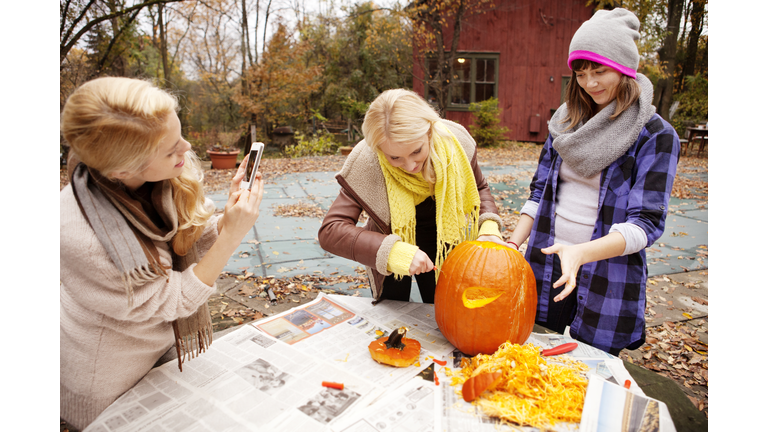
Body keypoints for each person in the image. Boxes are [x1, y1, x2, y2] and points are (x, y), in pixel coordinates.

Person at [60, 77, 265, 429]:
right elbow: (173, 300)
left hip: (161, 346)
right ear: (122, 170)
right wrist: (232, 236)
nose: (185, 148)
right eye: (171, 150)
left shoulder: (162, 180)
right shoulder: (78, 234)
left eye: (180, 135)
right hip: (110, 375)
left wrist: (225, 221)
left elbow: (184, 241)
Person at [506, 8, 680, 355]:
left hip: (606, 272)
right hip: (546, 262)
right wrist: (511, 246)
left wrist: (580, 254)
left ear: (625, 68)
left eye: (599, 71)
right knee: (534, 354)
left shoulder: (655, 135)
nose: (590, 83)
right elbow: (539, 193)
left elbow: (645, 225)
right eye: (581, 74)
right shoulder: (565, 125)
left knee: (592, 368)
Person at [318, 89, 507, 304]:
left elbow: (480, 188)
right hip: (390, 246)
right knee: (393, 313)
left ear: (429, 132)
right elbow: (331, 230)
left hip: (444, 245)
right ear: (378, 148)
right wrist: (390, 251)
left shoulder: (457, 143)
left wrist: (489, 225)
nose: (409, 166)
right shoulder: (366, 161)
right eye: (395, 157)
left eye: (416, 151)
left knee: (444, 311)